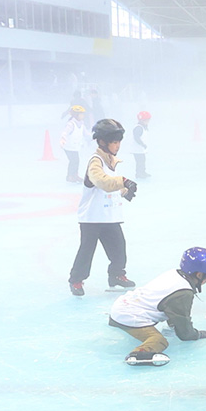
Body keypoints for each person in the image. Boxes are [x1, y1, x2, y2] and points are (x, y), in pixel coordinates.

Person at [108, 248, 206, 366]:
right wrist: (196, 334)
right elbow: (184, 330)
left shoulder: (174, 274)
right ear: (199, 275)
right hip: (128, 317)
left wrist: (173, 326)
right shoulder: (183, 292)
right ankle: (137, 355)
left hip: (121, 306)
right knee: (159, 341)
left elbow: (170, 308)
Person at [68, 117, 137, 297]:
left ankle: (116, 275)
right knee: (87, 250)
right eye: (114, 142)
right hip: (92, 218)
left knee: (118, 247)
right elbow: (101, 181)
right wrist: (123, 181)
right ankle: (76, 279)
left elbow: (109, 187)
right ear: (102, 142)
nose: (118, 146)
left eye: (119, 142)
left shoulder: (110, 161)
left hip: (109, 216)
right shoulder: (96, 161)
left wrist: (123, 190)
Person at [58, 104, 86, 182]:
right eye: (81, 114)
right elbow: (65, 132)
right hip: (68, 146)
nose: (83, 116)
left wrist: (94, 137)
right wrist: (63, 140)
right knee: (74, 161)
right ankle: (71, 176)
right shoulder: (71, 124)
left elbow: (85, 133)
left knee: (76, 161)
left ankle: (74, 175)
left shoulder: (81, 123)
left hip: (75, 146)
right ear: (76, 115)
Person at [128, 110, 151, 179]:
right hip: (137, 149)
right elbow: (136, 137)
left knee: (142, 160)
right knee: (139, 162)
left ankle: (142, 172)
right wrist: (142, 144)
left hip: (140, 149)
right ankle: (139, 173)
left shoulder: (143, 127)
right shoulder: (139, 128)